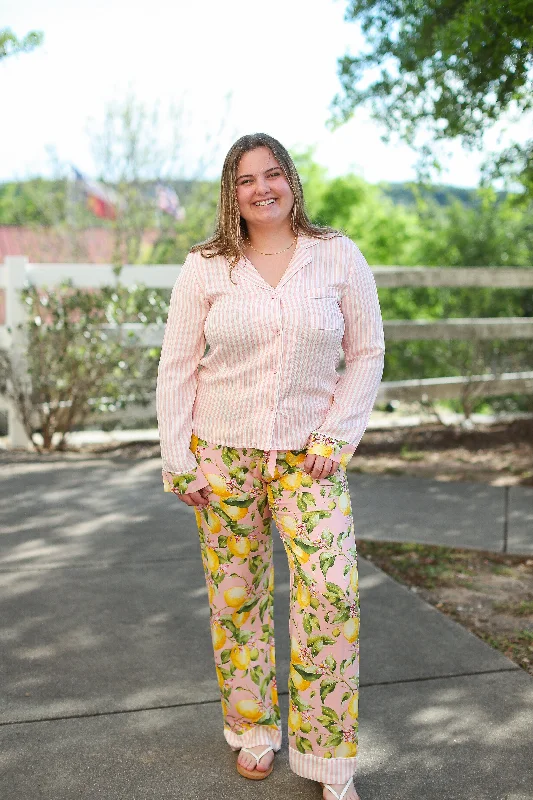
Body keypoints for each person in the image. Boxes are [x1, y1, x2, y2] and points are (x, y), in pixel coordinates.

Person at [156, 132, 385, 800]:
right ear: (232, 193)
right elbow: (176, 366)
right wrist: (180, 459)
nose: (261, 188)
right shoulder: (206, 265)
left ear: (291, 182)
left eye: (272, 174)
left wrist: (334, 437)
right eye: (246, 179)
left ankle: (328, 759)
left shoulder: (336, 256)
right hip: (220, 456)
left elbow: (367, 351)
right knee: (238, 599)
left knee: (331, 593)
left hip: (308, 460)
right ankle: (252, 728)